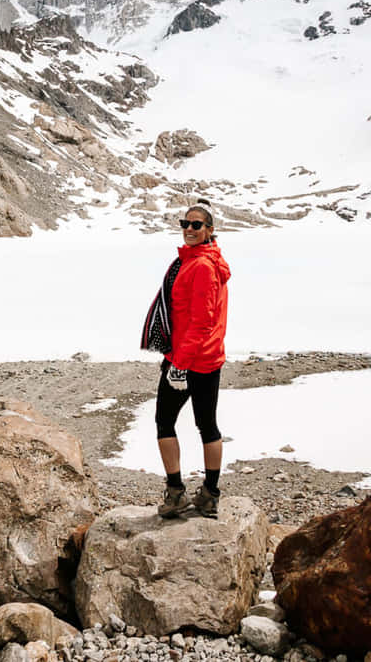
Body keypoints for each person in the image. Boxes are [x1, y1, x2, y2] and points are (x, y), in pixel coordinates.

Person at [141, 199, 231, 519]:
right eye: (185, 223)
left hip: (191, 360)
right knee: (206, 425)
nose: (189, 229)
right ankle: (208, 495)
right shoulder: (197, 259)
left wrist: (179, 364)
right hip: (205, 359)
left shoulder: (203, 266)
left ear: (209, 230)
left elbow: (201, 321)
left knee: (167, 422)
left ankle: (179, 493)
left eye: (197, 225)